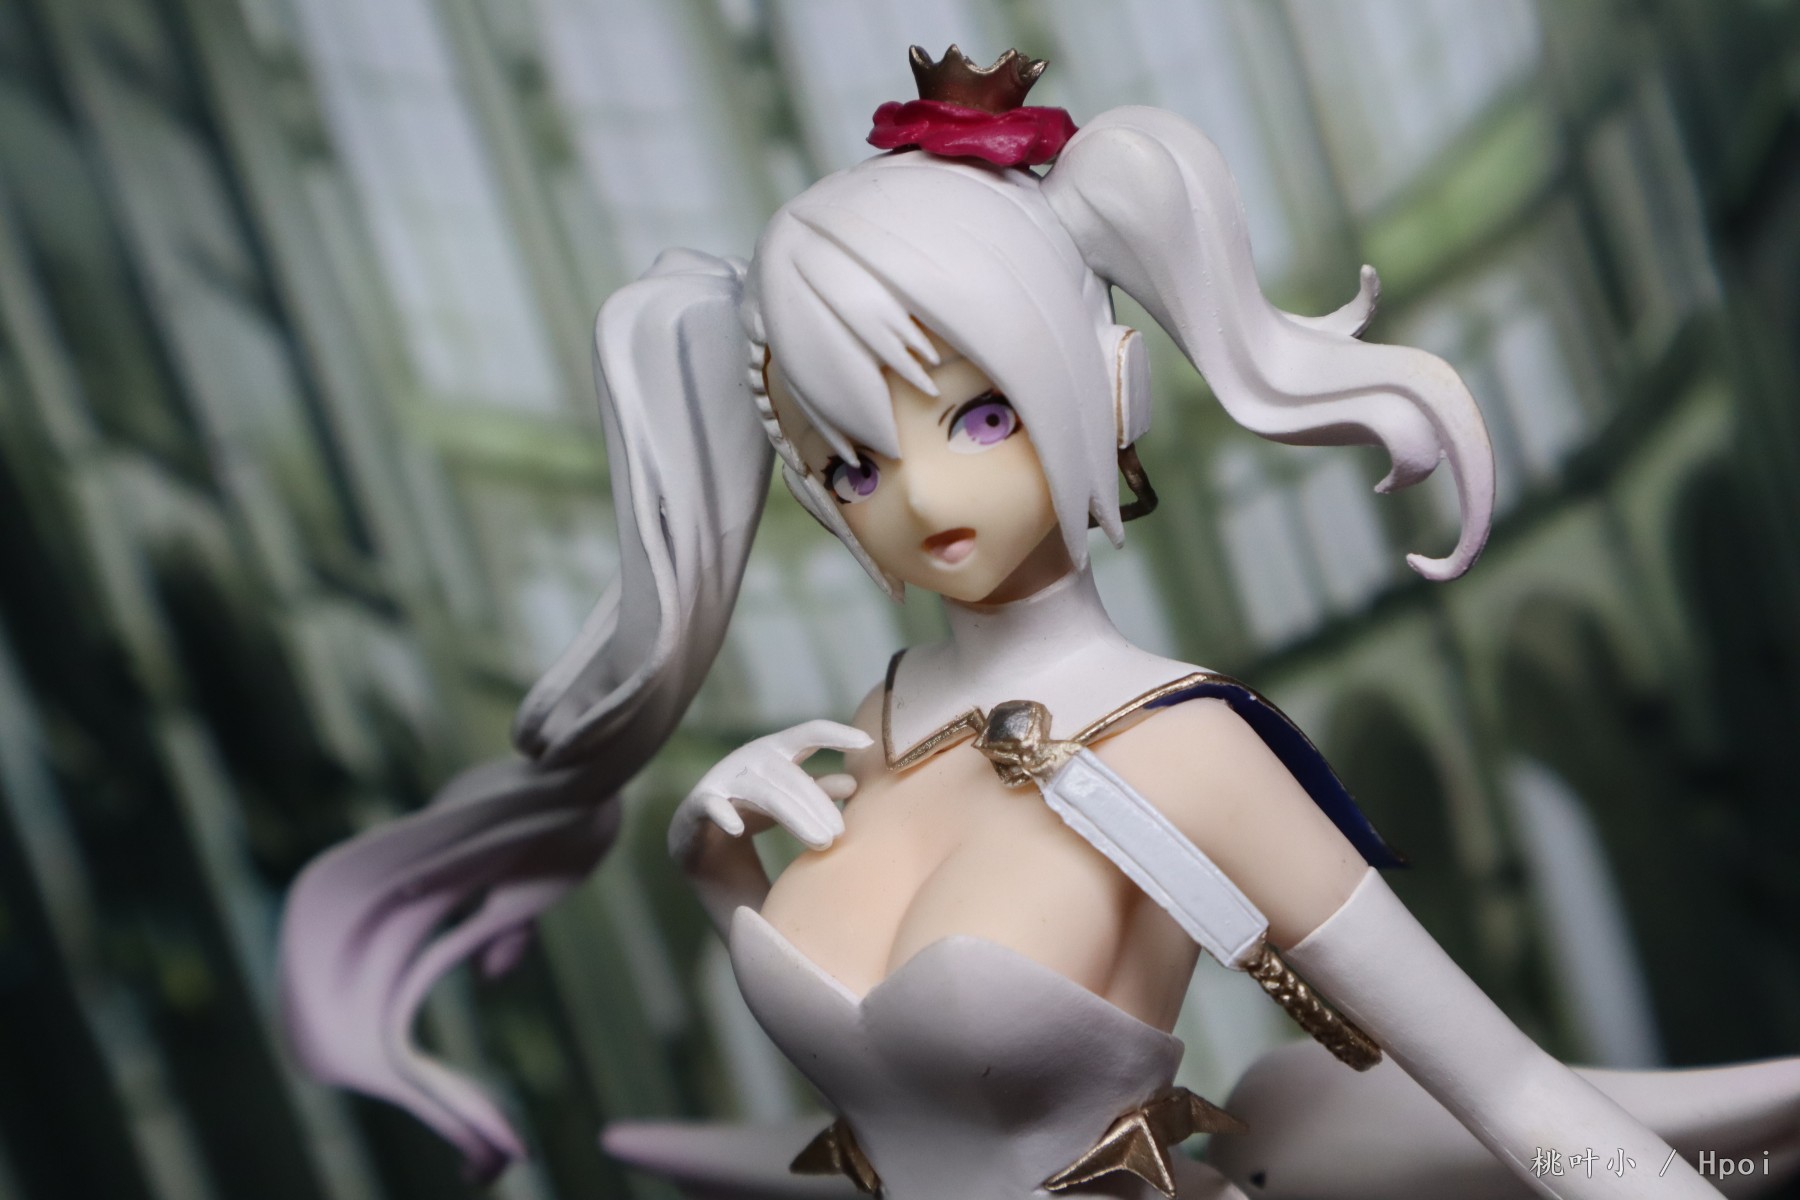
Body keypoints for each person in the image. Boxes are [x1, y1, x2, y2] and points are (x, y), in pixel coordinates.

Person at [281, 47, 1795, 1200]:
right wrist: (715, 869)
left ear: (1104, 389)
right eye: (852, 463)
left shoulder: (1182, 743)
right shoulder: (870, 733)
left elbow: (1521, 1101)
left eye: (981, 414)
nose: (921, 495)